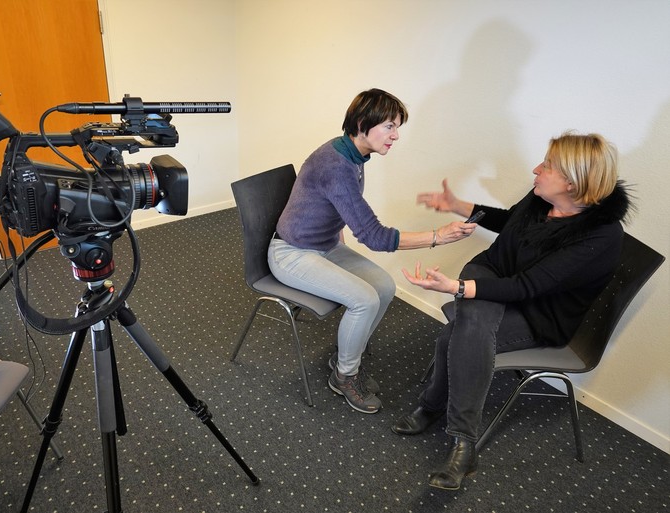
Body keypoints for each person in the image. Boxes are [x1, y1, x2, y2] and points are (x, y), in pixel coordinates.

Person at [394, 132, 632, 490]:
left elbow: (527, 287)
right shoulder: (542, 197)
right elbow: (510, 223)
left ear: (573, 181)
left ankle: (440, 416)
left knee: (459, 331)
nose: (536, 169)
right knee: (470, 325)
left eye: (547, 166)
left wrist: (456, 288)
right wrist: (459, 205)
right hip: (489, 273)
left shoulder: (601, 236)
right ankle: (461, 442)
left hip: (538, 313)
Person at [268, 88, 477, 414]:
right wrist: (439, 235)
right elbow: (374, 237)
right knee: (363, 299)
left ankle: (346, 356)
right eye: (390, 127)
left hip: (325, 245)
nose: (395, 136)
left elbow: (327, 201)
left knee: (383, 287)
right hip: (292, 253)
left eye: (397, 127)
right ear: (363, 123)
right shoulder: (336, 165)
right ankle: (344, 375)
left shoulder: (352, 154)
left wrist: (336, 232)